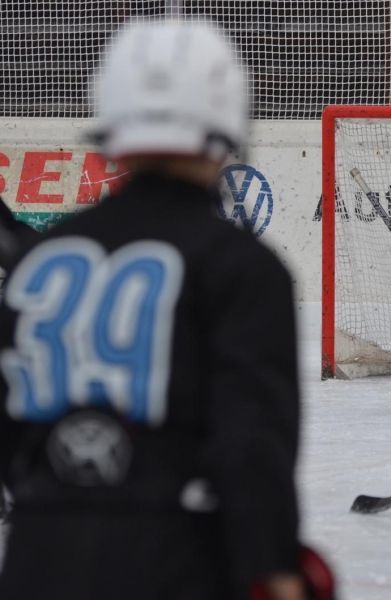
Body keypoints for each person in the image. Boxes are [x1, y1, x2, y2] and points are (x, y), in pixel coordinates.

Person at [0, 19, 333, 600]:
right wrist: (275, 565)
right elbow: (251, 444)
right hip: (177, 559)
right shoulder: (241, 266)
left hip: (38, 556)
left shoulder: (39, 257)